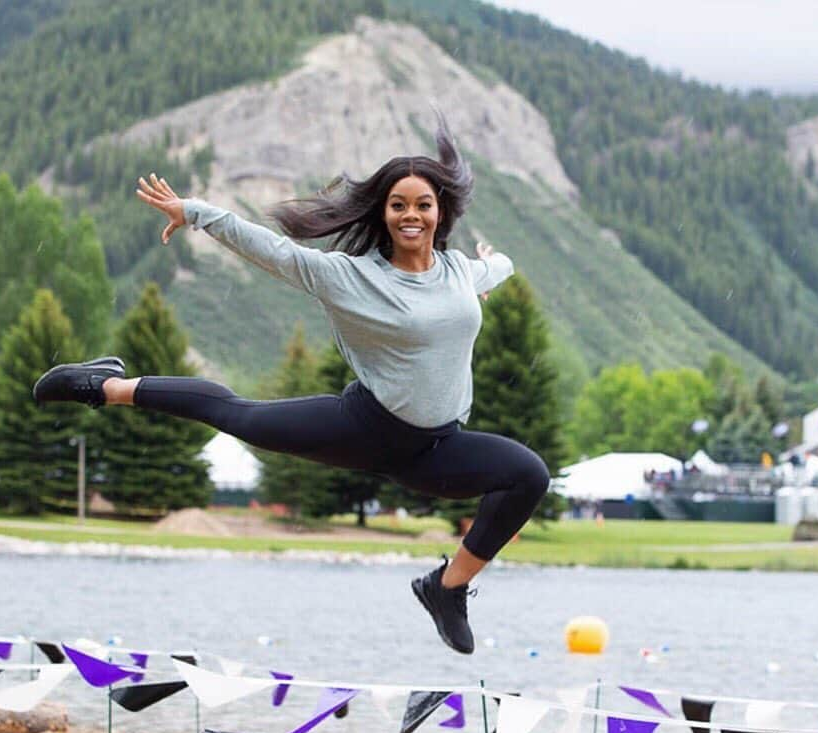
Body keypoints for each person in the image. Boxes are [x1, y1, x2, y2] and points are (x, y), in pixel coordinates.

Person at [33, 119, 550, 654]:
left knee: (527, 476)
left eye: (422, 204)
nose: (411, 215)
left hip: (437, 448)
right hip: (365, 428)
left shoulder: (459, 274)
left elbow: (496, 269)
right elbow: (275, 253)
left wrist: (493, 265)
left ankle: (446, 589)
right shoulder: (350, 276)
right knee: (238, 416)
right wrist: (197, 213)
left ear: (440, 211)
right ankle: (106, 386)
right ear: (383, 213)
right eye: (398, 205)